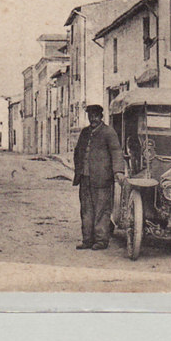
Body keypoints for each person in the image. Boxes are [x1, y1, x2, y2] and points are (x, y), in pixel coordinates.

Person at [72, 104, 125, 250]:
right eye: (90, 116)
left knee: (102, 210)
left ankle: (101, 241)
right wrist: (79, 170)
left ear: (101, 116)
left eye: (95, 116)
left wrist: (118, 171)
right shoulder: (84, 133)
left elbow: (116, 152)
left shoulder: (109, 132)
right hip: (85, 179)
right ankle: (87, 240)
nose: (92, 119)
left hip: (103, 180)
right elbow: (77, 152)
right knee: (86, 210)